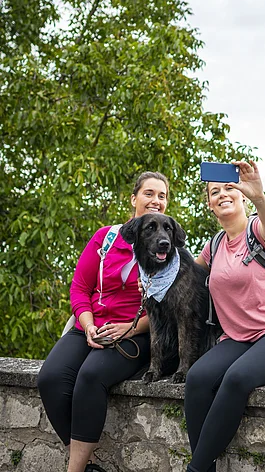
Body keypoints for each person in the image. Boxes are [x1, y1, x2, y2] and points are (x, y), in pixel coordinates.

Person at [37, 172, 169, 472]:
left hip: (136, 333)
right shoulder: (106, 237)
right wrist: (88, 325)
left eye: (162, 196)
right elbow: (79, 288)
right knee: (50, 379)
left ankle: (74, 470)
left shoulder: (167, 247)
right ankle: (90, 465)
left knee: (90, 376)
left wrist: (129, 329)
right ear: (134, 199)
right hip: (91, 325)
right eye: (149, 193)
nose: (156, 200)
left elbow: (169, 309)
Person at [185, 160, 265, 472]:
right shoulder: (214, 247)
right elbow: (184, 280)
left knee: (237, 378)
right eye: (214, 192)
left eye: (229, 188)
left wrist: (259, 196)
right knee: (197, 379)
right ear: (210, 205)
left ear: (241, 196)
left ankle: (195, 469)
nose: (222, 194)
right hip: (238, 340)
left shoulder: (257, 230)